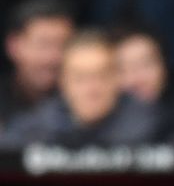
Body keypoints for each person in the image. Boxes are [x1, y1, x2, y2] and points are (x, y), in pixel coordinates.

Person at [3, 30, 158, 146]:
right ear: (63, 82)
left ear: (117, 78)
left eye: (101, 75)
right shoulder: (35, 129)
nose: (91, 88)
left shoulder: (155, 127)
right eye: (80, 78)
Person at [0, 0, 75, 130]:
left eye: (63, 45)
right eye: (43, 45)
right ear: (13, 46)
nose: (53, 57)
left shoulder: (83, 101)